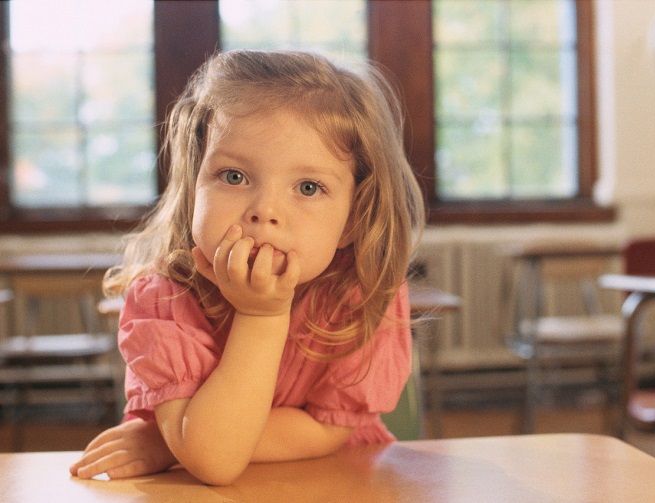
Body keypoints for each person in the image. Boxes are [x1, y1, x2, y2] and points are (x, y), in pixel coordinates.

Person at [69, 49, 425, 486]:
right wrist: (263, 315)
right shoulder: (164, 298)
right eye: (234, 177)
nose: (265, 211)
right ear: (193, 184)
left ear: (353, 220)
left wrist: (169, 443)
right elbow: (215, 459)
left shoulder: (363, 293)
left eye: (308, 187)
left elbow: (325, 431)